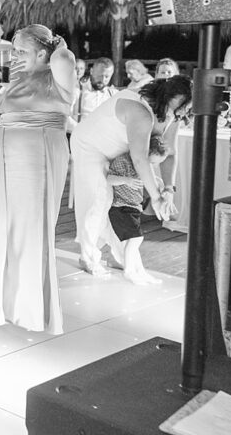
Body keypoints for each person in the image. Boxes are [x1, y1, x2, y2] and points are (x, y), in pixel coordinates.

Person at [0, 25, 76, 339]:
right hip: (5, 144)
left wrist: (55, 45)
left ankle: (28, 309)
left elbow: (64, 57)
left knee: (32, 229)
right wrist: (12, 45)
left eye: (21, 51)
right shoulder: (13, 71)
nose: (13, 56)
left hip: (42, 147)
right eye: (13, 52)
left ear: (43, 53)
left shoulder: (60, 69)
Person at [71, 76, 192, 277]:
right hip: (90, 145)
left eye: (188, 106)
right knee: (100, 198)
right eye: (183, 105)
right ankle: (88, 256)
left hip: (120, 150)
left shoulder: (174, 114)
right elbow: (140, 159)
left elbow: (169, 153)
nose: (185, 111)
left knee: (121, 202)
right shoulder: (139, 111)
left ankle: (119, 257)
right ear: (166, 97)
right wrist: (156, 196)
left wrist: (169, 189)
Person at [101, 134, 169, 286]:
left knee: (132, 243)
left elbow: (147, 179)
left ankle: (139, 271)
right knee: (136, 239)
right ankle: (130, 271)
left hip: (133, 207)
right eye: (151, 162)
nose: (152, 166)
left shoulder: (143, 166)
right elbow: (108, 179)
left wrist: (158, 184)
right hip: (121, 207)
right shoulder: (123, 161)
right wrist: (126, 180)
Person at [70, 56, 117, 129]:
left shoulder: (113, 94)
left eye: (107, 77)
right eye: (99, 75)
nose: (102, 80)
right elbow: (64, 117)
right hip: (80, 135)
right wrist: (79, 130)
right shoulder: (76, 90)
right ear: (91, 71)